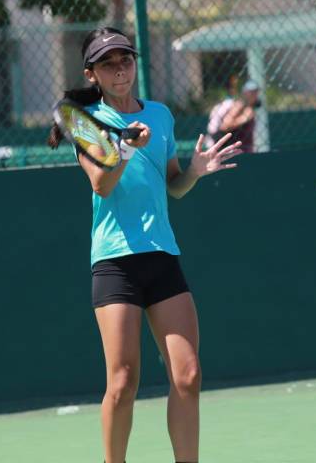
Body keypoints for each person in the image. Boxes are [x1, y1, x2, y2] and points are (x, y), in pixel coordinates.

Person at [48, 27, 243, 463]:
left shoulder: (160, 115)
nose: (121, 69)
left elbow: (173, 186)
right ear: (92, 73)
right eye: (109, 63)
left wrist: (195, 170)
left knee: (188, 375)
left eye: (126, 60)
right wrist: (126, 147)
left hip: (162, 256)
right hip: (115, 263)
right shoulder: (87, 122)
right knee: (122, 383)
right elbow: (102, 184)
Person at [206, 79, 259, 153]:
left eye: (256, 92)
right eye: (251, 92)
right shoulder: (239, 105)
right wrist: (244, 118)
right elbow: (225, 125)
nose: (255, 95)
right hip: (235, 153)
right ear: (245, 93)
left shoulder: (250, 108)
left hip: (247, 151)